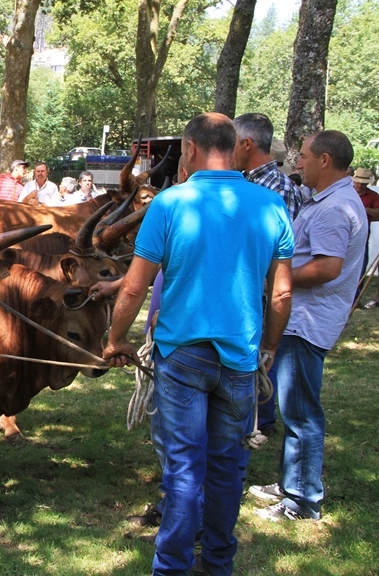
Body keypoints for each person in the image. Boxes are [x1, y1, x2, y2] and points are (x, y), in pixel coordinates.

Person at [104, 113, 294, 575]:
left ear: (189, 148)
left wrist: (114, 339)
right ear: (234, 147)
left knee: (184, 468)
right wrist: (267, 350)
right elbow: (283, 293)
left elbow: (134, 288)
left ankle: (171, 567)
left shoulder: (170, 204)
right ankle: (217, 564)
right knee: (226, 468)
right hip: (240, 358)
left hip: (182, 355)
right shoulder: (270, 205)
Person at [250, 130, 367, 523]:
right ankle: (291, 483)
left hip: (307, 322)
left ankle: (302, 500)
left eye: (303, 157)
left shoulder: (335, 208)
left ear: (325, 160)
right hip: (303, 318)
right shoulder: (332, 201)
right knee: (293, 406)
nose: (297, 164)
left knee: (301, 412)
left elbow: (328, 267)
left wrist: (276, 280)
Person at [232, 113, 305, 438]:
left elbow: (274, 258)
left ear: (246, 144)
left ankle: (258, 419)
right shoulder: (249, 185)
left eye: (231, 143)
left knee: (258, 361)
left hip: (258, 296)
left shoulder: (276, 190)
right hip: (246, 294)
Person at [233, 113, 302, 221]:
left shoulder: (280, 188)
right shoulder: (243, 179)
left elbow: (282, 236)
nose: (229, 151)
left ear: (247, 144)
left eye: (233, 144)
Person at [353, 168, 379, 308]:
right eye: (358, 182)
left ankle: (356, 298)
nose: (359, 185)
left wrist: (365, 210)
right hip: (346, 237)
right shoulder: (348, 193)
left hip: (362, 238)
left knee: (361, 268)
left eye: (362, 183)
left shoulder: (373, 196)